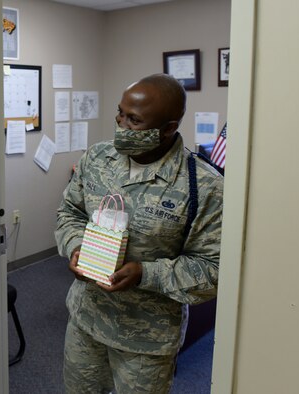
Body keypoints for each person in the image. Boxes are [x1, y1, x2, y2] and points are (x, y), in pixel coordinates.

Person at [55, 73, 223, 393]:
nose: (121, 125)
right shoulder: (97, 158)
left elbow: (213, 269)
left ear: (169, 128)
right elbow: (70, 213)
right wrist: (76, 247)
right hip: (85, 320)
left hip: (146, 340)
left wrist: (146, 274)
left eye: (134, 120)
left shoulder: (203, 185)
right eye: (120, 113)